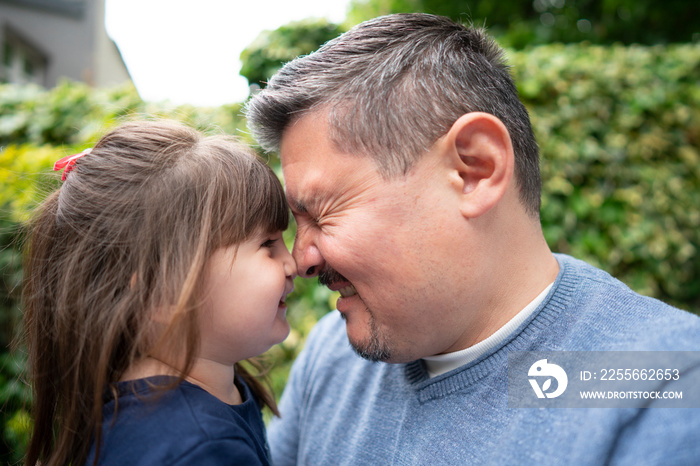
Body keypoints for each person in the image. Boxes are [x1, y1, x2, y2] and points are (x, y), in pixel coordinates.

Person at [245, 13, 700, 465]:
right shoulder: (331, 356)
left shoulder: (664, 386)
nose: (300, 258)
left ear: (474, 169)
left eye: (322, 213)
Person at [21, 120, 296, 465]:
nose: (294, 262)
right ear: (163, 290)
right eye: (268, 244)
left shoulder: (175, 407)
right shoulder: (198, 449)